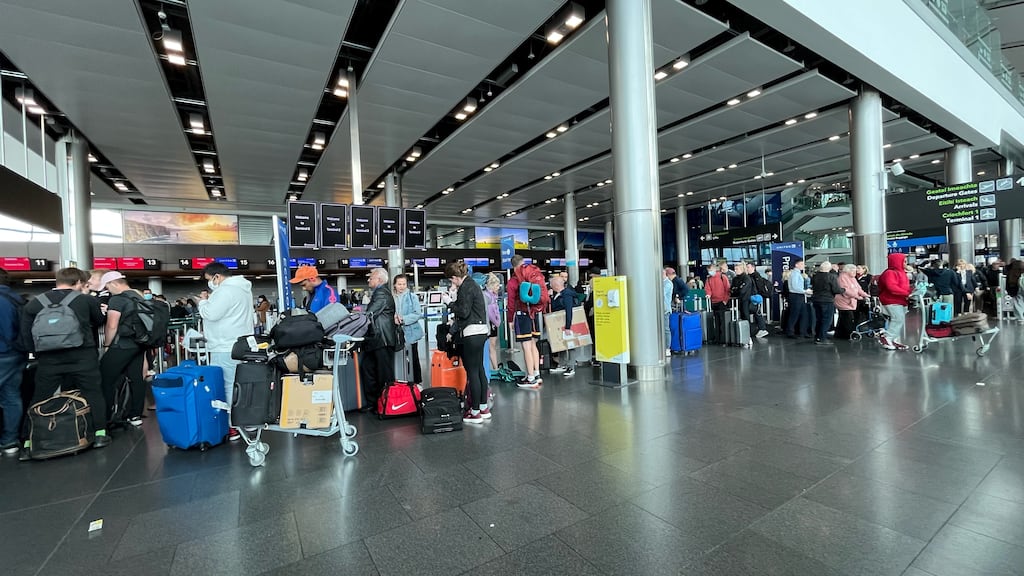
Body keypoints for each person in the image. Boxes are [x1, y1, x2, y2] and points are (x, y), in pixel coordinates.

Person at [18, 267, 110, 459]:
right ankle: (100, 434)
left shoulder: (35, 303)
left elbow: (26, 333)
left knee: (39, 397)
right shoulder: (86, 300)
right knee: (93, 392)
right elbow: (99, 320)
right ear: (77, 282)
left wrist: (37, 354)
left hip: (49, 360)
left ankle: (27, 443)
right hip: (82, 356)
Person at [196, 262, 253, 440]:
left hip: (224, 346)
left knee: (227, 386)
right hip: (242, 344)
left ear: (217, 277)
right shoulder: (243, 289)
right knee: (241, 384)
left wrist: (203, 302)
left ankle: (233, 425)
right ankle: (247, 422)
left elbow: (211, 314)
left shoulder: (225, 290)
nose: (210, 284)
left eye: (209, 280)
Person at [99, 272, 148, 427]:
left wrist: (107, 345)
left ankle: (105, 416)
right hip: (139, 344)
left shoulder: (117, 299)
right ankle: (135, 416)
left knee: (104, 378)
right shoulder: (139, 296)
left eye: (107, 286)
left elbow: (112, 325)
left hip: (122, 344)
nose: (108, 290)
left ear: (114, 283)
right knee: (137, 379)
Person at [445, 261, 491, 424]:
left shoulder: (465, 287)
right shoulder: (473, 285)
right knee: (479, 370)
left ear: (454, 278)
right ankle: (484, 408)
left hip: (471, 333)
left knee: (472, 372)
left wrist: (449, 302)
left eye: (451, 280)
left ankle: (475, 412)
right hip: (481, 332)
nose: (452, 283)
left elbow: (463, 312)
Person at [506, 255, 549, 388]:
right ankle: (536, 374)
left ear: (512, 265)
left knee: (526, 347)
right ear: (523, 263)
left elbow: (511, 304)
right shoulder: (533, 274)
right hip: (534, 314)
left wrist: (510, 320)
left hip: (522, 315)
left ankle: (530, 378)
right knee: (533, 345)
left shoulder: (513, 281)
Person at [361, 268, 398, 412]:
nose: (369, 280)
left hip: (382, 339)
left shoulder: (381, 293)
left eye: (371, 278)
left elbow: (370, 312)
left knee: (384, 374)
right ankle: (375, 403)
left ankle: (386, 404)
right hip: (376, 339)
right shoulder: (379, 293)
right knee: (368, 368)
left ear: (380, 280)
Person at [0, 268, 26, 455]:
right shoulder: (15, 298)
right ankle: (10, 441)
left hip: (3, 353)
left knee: (10, 397)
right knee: (11, 397)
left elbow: (7, 331)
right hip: (17, 354)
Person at [877, 253, 912, 350]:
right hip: (891, 300)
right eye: (904, 261)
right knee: (898, 319)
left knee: (898, 320)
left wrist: (909, 292)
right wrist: (907, 293)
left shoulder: (901, 273)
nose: (906, 263)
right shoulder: (889, 273)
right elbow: (891, 287)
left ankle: (893, 339)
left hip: (900, 300)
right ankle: (887, 337)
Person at [393, 274, 423, 386]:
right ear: (394, 285)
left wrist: (403, 319)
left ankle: (416, 383)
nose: (401, 286)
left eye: (404, 284)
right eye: (399, 284)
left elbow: (417, 314)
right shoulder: (392, 298)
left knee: (413, 357)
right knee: (399, 357)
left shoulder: (412, 297)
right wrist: (394, 318)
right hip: (396, 332)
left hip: (411, 332)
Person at [549, 275, 579, 375]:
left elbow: (568, 310)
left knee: (570, 344)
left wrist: (568, 326)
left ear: (556, 285)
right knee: (561, 344)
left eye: (552, 284)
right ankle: (562, 364)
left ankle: (571, 367)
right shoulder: (558, 294)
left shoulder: (566, 295)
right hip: (559, 323)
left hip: (566, 323)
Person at [810, 261, 843, 344]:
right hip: (827, 300)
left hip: (816, 300)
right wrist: (843, 290)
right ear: (829, 268)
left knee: (819, 319)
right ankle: (822, 338)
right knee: (826, 319)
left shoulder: (815, 276)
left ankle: (817, 336)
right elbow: (836, 290)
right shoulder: (831, 277)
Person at [835, 264, 868, 340]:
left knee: (843, 318)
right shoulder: (842, 277)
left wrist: (865, 295)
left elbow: (858, 288)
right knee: (848, 317)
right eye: (853, 271)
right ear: (848, 270)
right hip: (843, 301)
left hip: (850, 300)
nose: (855, 272)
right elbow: (846, 290)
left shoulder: (852, 278)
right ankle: (849, 334)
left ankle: (839, 334)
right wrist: (857, 297)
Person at [784, 259, 812, 338]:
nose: (803, 265)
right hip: (796, 295)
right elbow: (795, 287)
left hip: (799, 295)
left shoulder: (797, 274)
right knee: (794, 314)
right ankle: (790, 332)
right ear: (796, 265)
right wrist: (805, 291)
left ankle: (803, 331)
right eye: (802, 264)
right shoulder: (795, 274)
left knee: (803, 314)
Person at [705, 263, 731, 344]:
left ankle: (723, 339)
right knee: (716, 320)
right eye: (709, 271)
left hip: (721, 302)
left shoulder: (722, 277)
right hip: (714, 302)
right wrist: (708, 295)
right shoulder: (709, 279)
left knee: (722, 321)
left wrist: (725, 300)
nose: (710, 272)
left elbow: (727, 289)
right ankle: (718, 339)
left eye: (711, 270)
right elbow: (707, 288)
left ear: (715, 269)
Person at [483, 273, 502, 373]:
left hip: (493, 323)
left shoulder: (493, 295)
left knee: (492, 345)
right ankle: (493, 368)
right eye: (496, 285)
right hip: (490, 323)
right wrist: (497, 322)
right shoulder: (488, 296)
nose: (498, 287)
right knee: (491, 346)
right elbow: (490, 313)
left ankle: (495, 367)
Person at [747, 262, 770, 338]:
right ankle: (761, 328)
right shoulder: (752, 276)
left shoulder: (756, 276)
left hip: (756, 297)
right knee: (757, 312)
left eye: (748, 267)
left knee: (757, 312)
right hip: (756, 297)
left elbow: (759, 288)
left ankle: (762, 328)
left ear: (753, 267)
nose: (747, 269)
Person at [1006, 259, 1024, 324]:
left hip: (1016, 288)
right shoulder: (1022, 270)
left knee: (1018, 302)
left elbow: (1010, 281)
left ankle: (1021, 318)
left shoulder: (1012, 271)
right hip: (1020, 287)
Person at [662, 268, 674, 356]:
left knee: (666, 329)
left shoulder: (668, 283)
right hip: (660, 309)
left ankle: (667, 348)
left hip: (665, 310)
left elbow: (661, 293)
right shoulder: (661, 283)